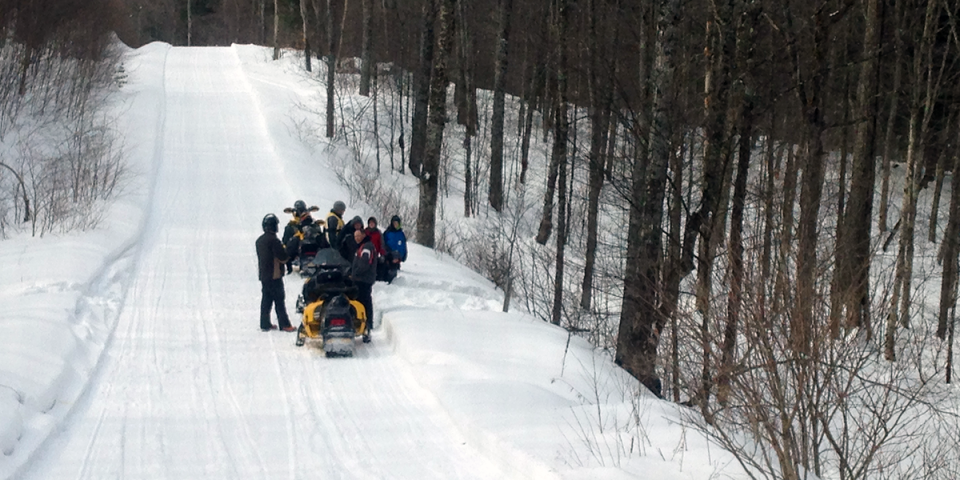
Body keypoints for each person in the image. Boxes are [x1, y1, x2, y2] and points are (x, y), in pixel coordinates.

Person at [256, 214, 297, 332]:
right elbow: (283, 257)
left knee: (266, 299)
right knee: (279, 300)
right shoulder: (274, 241)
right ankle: (284, 324)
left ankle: (265, 323)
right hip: (275, 275)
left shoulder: (259, 241)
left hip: (264, 275)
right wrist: (289, 251)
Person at [351, 227, 378, 343]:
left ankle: (366, 326)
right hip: (361, 278)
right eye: (355, 236)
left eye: (358, 236)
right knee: (362, 301)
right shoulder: (362, 246)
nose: (356, 238)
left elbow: (364, 263)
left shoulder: (367, 247)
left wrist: (355, 274)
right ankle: (364, 325)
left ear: (363, 235)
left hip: (363, 280)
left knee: (364, 303)